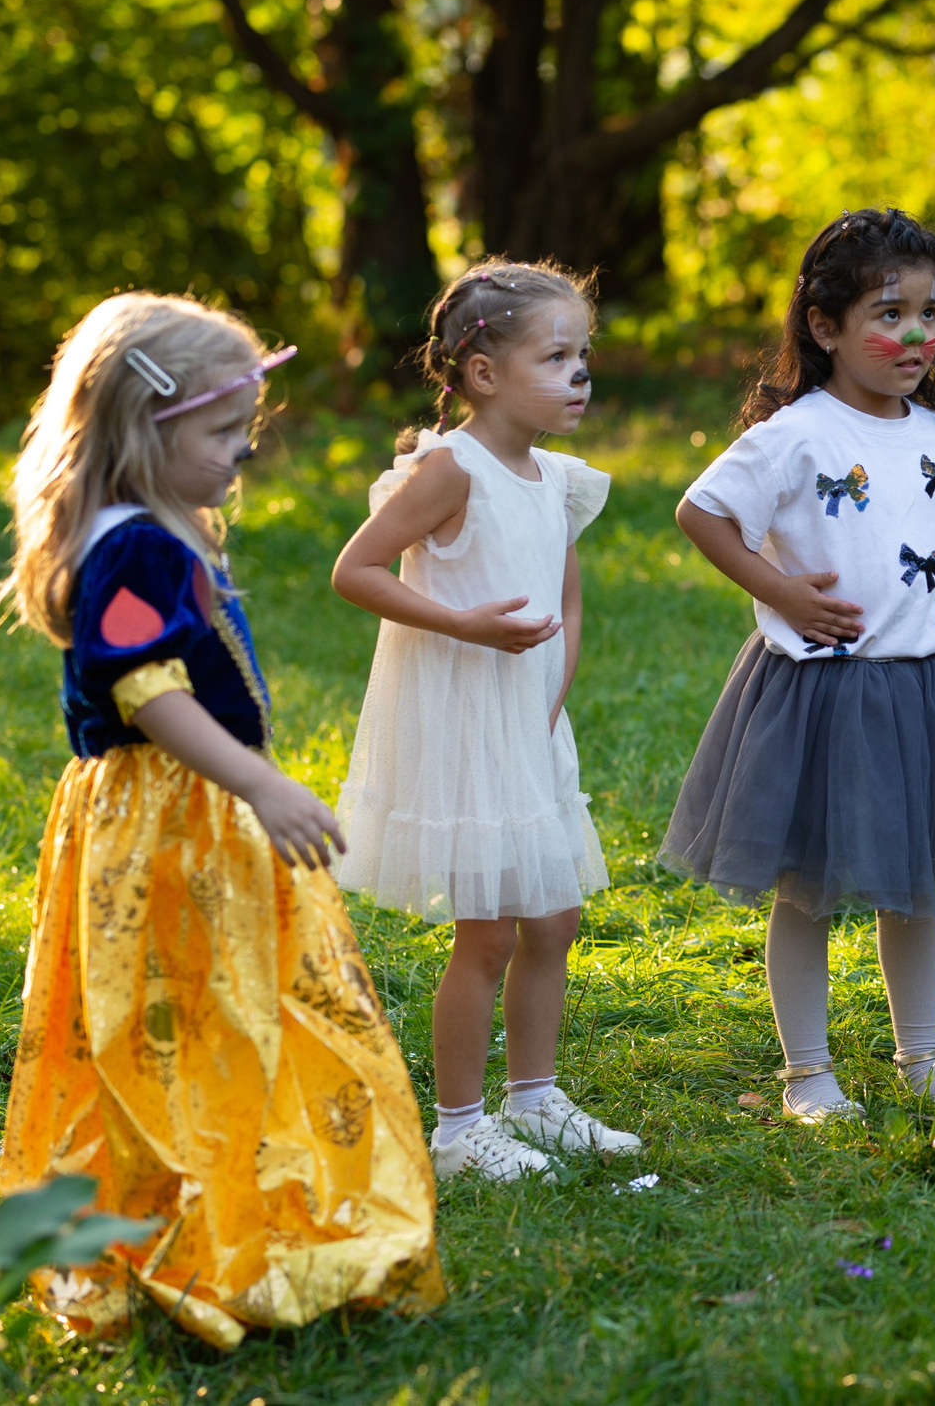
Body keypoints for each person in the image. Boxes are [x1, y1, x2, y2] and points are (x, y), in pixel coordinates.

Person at [0, 293, 443, 1349]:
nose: (243, 449)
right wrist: (260, 783)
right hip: (170, 820)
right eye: (220, 431)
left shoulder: (159, 528)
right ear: (146, 431)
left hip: (184, 814)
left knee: (216, 1010)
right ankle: (193, 1225)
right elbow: (148, 693)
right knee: (196, 1017)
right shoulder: (134, 547)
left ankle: (229, 1208)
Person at [663, 209, 935, 1123]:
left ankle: (922, 1057)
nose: (914, 335)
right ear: (824, 327)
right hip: (819, 690)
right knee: (810, 887)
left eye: (929, 313)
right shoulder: (797, 433)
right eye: (889, 312)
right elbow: (701, 512)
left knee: (914, 880)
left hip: (919, 684)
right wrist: (780, 590)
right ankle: (809, 1073)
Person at [333, 263, 638, 1182]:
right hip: (466, 722)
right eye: (557, 356)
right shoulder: (448, 470)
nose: (581, 374)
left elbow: (568, 601)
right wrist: (465, 624)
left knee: (556, 917)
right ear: (483, 373)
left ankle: (535, 1096)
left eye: (584, 355)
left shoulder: (557, 478)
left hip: (530, 722)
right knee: (491, 931)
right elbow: (358, 570)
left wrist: (553, 692)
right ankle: (460, 1129)